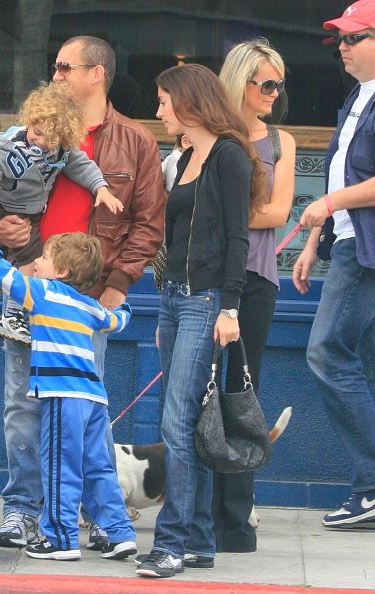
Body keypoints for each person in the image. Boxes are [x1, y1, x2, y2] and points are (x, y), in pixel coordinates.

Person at [0, 35, 165, 549]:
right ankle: (23, 508)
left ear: (96, 74)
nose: (56, 76)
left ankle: (89, 514)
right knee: (22, 404)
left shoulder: (135, 142)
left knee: (84, 412)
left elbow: (148, 225)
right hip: (27, 284)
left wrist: (117, 287)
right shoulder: (27, 133)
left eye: (65, 67)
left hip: (88, 298)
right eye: (55, 68)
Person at [135, 63, 267, 579]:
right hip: (173, 299)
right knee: (189, 423)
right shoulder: (185, 156)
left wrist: (230, 307)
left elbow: (239, 237)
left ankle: (170, 543)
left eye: (165, 101)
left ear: (189, 102)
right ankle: (199, 542)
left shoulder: (229, 156)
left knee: (178, 421)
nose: (159, 110)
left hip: (208, 299)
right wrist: (163, 302)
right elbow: (174, 237)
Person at [0, 211, 137, 560]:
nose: (38, 262)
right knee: (98, 465)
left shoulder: (42, 292)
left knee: (60, 463)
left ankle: (60, 538)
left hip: (63, 395)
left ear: (61, 271)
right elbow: (118, 319)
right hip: (94, 398)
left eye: (44, 257)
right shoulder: (88, 305)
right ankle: (121, 533)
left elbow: (3, 274)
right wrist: (127, 307)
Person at [292, 0, 375, 529]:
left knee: (326, 351)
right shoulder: (356, 98)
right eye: (340, 40)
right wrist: (315, 235)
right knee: (359, 363)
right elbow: (341, 178)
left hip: (365, 251)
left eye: (354, 38)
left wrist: (326, 207)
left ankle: (372, 484)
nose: (342, 48)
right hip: (350, 242)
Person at [212, 38, 296, 553]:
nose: (273, 92)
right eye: (264, 82)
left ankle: (235, 519)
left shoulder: (280, 142)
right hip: (204, 280)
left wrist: (220, 219)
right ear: (238, 81)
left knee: (241, 397)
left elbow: (278, 213)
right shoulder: (213, 136)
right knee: (192, 396)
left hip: (256, 280)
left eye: (277, 84)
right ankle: (196, 508)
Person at [0, 82, 122, 345]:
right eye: (37, 132)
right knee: (31, 257)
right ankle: (11, 317)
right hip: (3, 204)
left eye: (51, 139)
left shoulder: (62, 151)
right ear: (30, 120)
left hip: (30, 209)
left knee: (20, 249)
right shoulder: (11, 145)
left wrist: (100, 188)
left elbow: (83, 166)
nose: (41, 142)